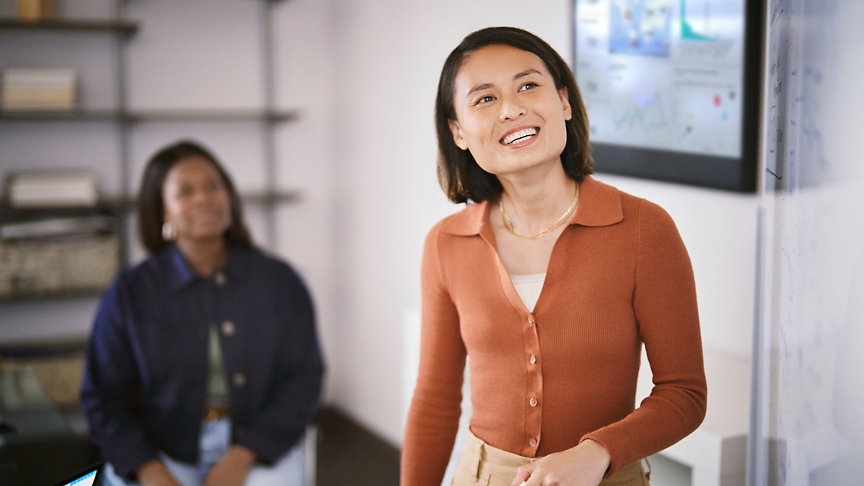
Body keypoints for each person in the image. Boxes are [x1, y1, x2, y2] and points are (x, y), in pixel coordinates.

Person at [401, 27, 707, 486]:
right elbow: (434, 402)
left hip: (605, 477)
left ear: (564, 101)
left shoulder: (644, 229)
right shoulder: (446, 243)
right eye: (484, 99)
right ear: (458, 131)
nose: (511, 108)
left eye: (528, 85)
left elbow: (684, 394)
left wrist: (597, 452)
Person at [81, 140, 324, 486]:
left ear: (229, 197)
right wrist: (149, 470)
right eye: (185, 191)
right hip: (161, 450)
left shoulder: (279, 281)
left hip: (259, 446)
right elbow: (102, 398)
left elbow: (305, 380)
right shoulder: (130, 292)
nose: (203, 199)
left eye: (213, 186)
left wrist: (242, 457)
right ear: (162, 211)